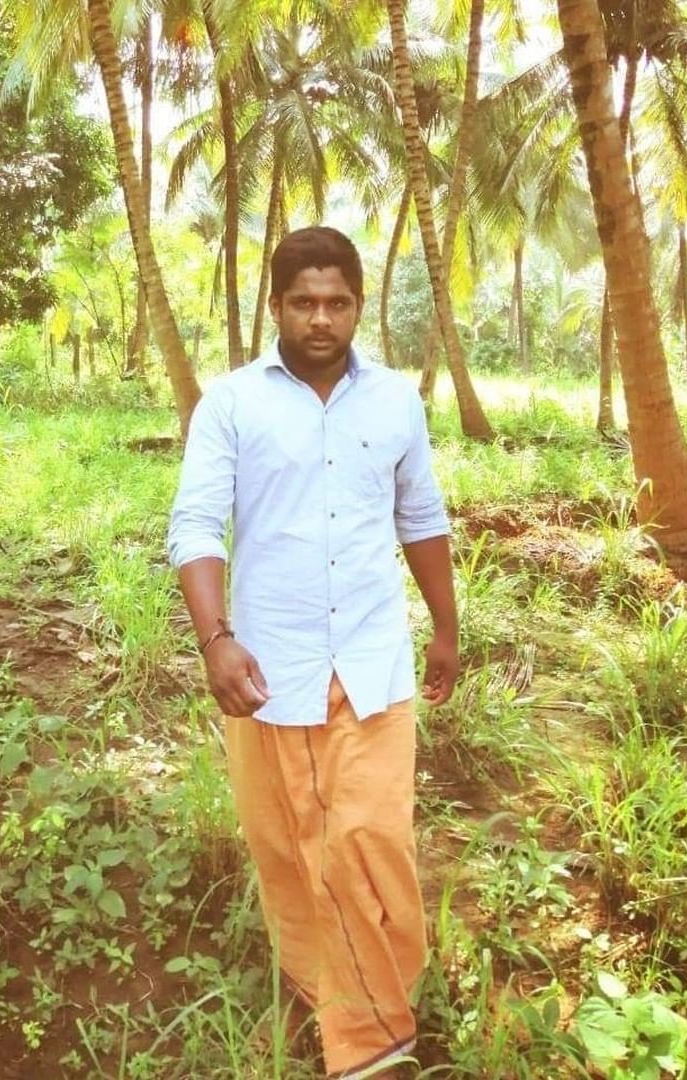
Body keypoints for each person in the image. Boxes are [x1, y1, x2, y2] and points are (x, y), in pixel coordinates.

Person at [167, 226, 459, 1079]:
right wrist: (215, 639)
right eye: (304, 303)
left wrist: (446, 627)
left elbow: (421, 517)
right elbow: (195, 525)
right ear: (277, 306)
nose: (321, 319)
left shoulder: (396, 401)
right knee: (288, 845)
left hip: (373, 662)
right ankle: (321, 984)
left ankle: (374, 1039)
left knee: (369, 837)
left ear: (360, 306)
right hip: (270, 670)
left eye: (337, 303)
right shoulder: (231, 404)